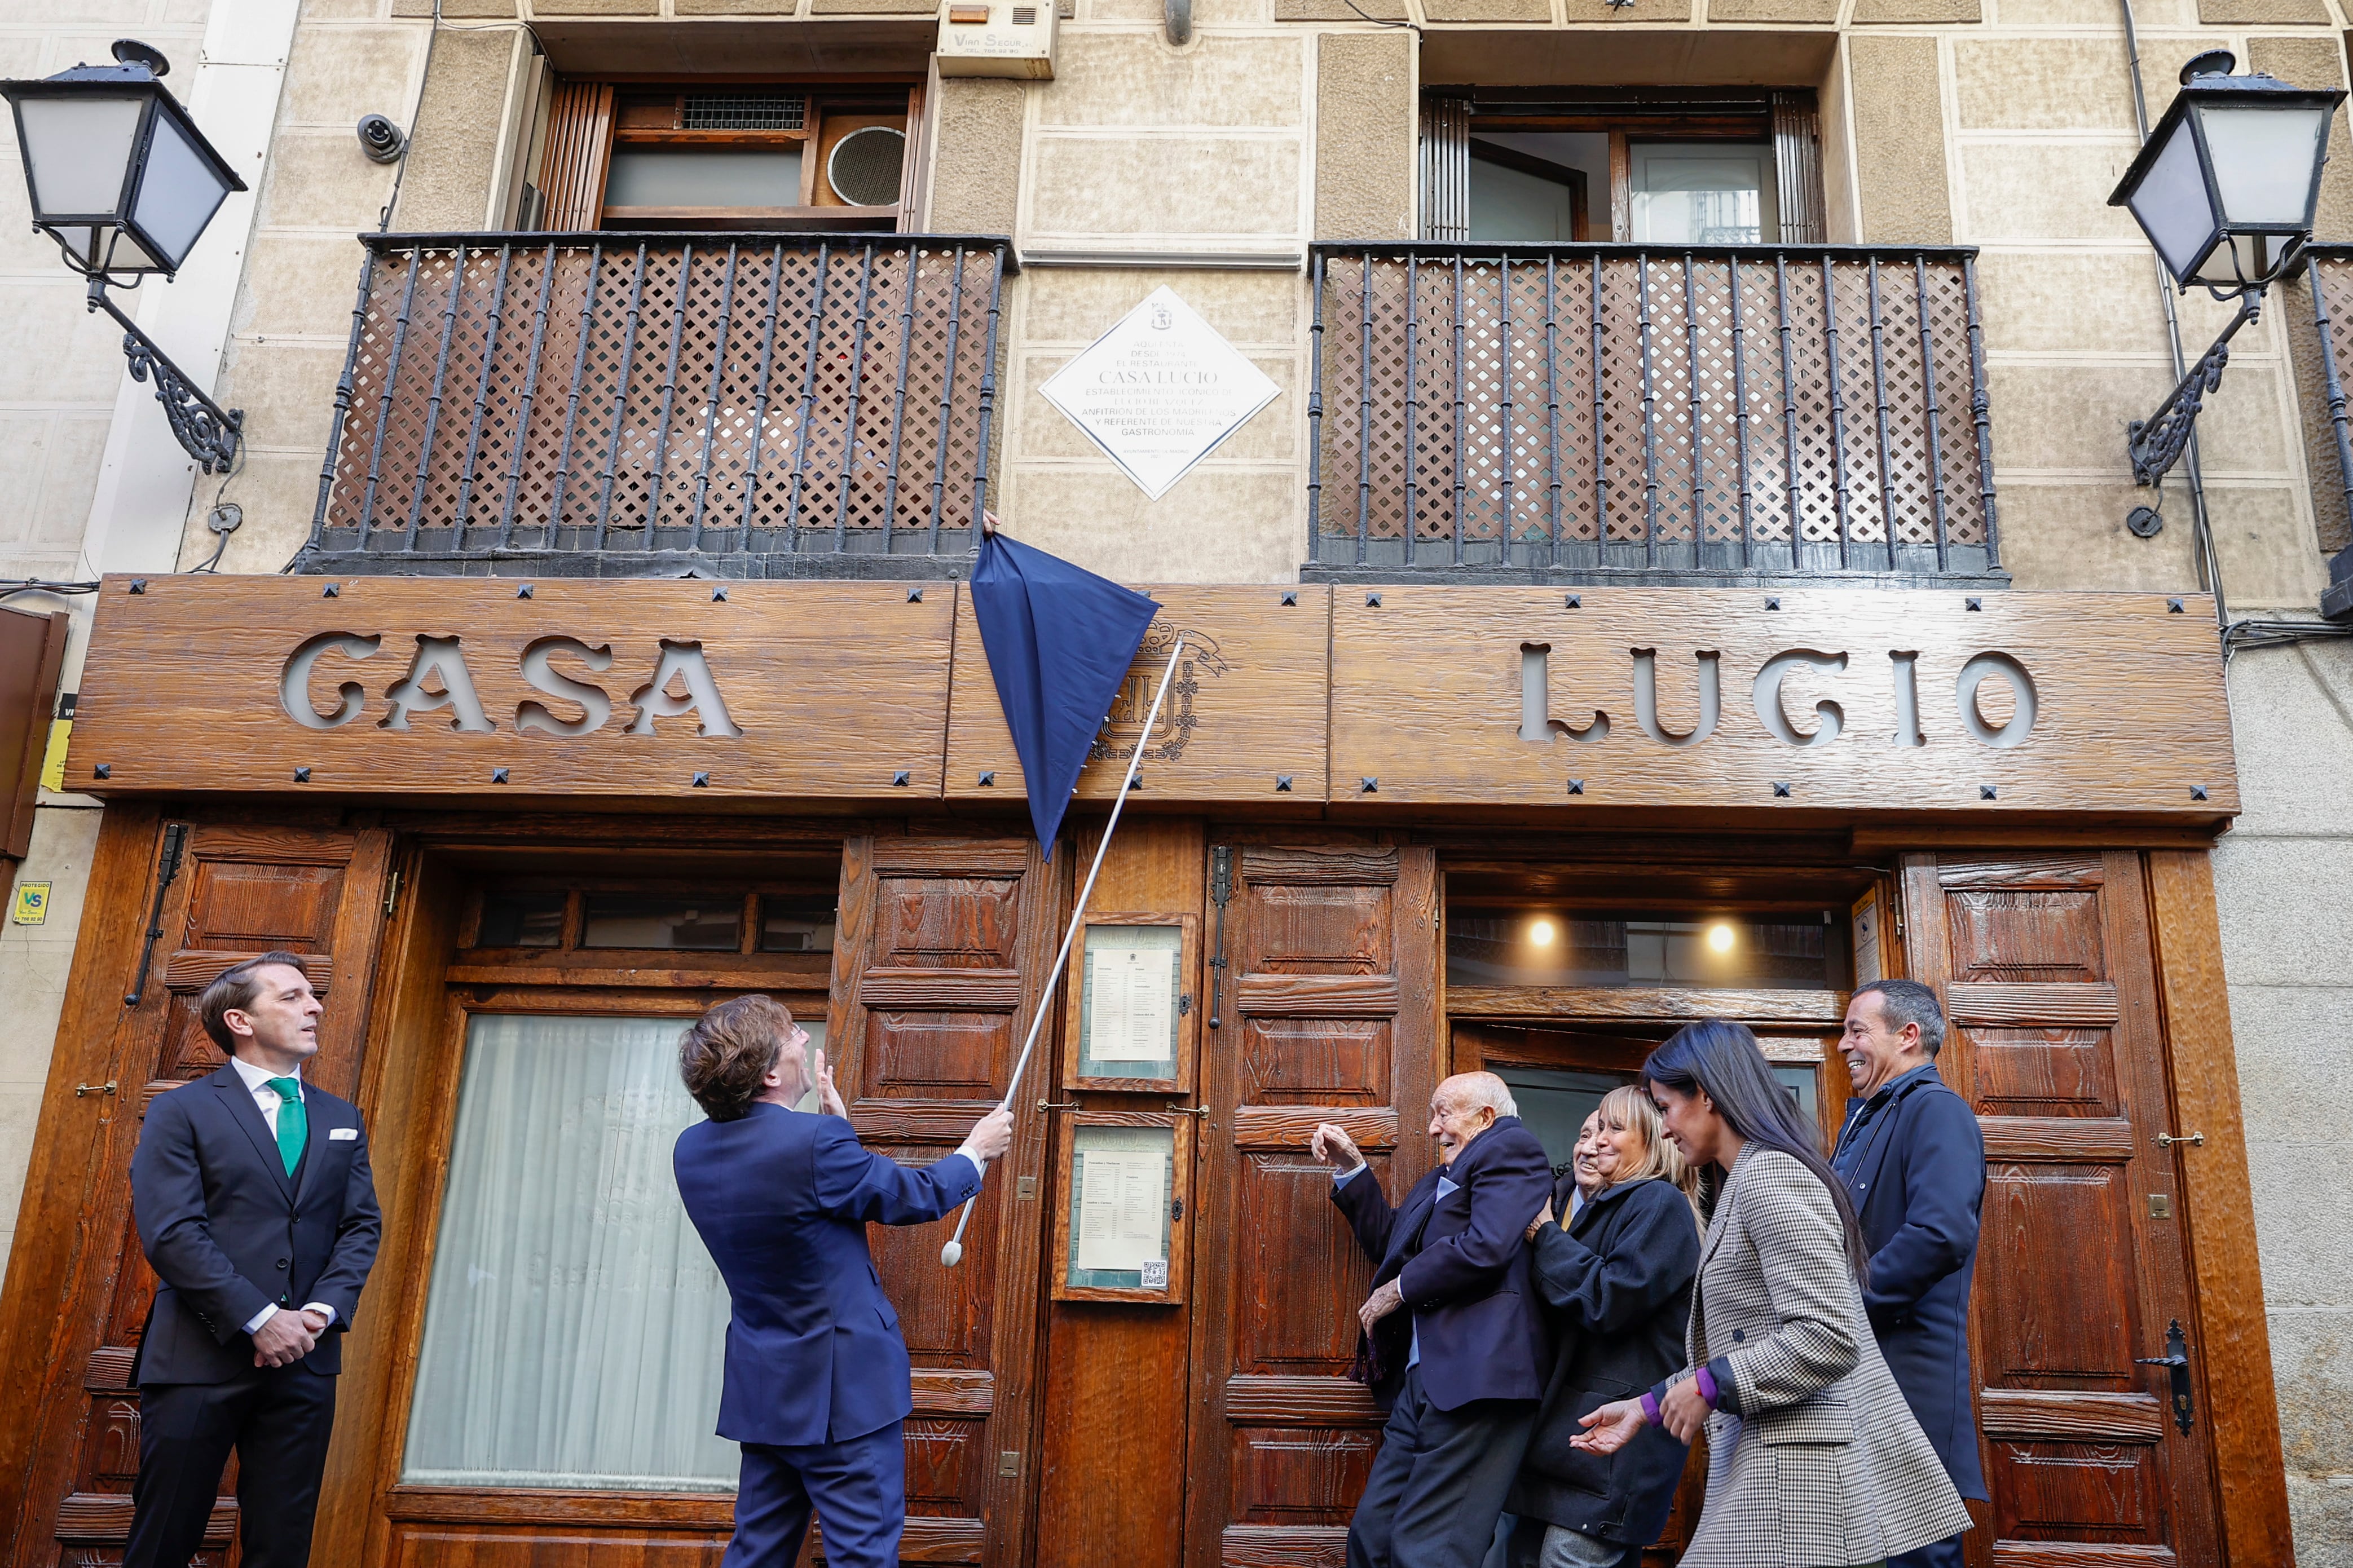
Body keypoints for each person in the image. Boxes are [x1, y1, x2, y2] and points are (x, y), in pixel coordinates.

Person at [1572, 1020, 1970, 1568]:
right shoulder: (1745, 1180)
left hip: (1801, 1491)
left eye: (1664, 1107)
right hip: (1780, 1479)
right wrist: (1645, 1407)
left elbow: (1828, 1336)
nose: (1663, 1129)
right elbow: (1751, 1337)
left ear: (1706, 1097)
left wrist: (1709, 1386)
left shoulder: (1769, 1177)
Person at [671, 996, 1014, 1568]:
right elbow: (915, 1196)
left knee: (757, 1553)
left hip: (765, 1392)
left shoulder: (692, 1149)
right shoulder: (812, 1145)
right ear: (771, 1073)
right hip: (843, 1398)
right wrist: (974, 1152)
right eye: (791, 1035)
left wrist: (836, 1134)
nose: (805, 1039)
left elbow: (799, 1202)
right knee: (862, 1555)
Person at [125, 951, 382, 1568]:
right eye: (291, 997)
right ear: (239, 1020)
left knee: (282, 1544)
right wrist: (260, 1317)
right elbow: (172, 1232)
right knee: (166, 1536)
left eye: (311, 995)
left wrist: (316, 1316)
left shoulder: (340, 1118)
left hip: (306, 1366)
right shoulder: (180, 1110)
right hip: (198, 1358)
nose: (314, 1006)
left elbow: (360, 1226)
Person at [1309, 1071, 1556, 1568]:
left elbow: (1485, 1246)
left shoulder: (1512, 1150)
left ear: (1486, 1117)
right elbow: (1392, 1244)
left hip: (1478, 1381)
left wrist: (1399, 1290)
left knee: (1431, 1552)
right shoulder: (1441, 1178)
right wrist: (1353, 1168)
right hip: (1423, 1383)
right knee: (1372, 1537)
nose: (1431, 1128)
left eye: (1444, 1113)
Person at [1508, 1087, 1703, 1568]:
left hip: (1610, 1453)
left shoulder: (1659, 1203)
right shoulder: (1579, 1206)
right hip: (1558, 1448)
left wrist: (1546, 1236)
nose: (1592, 1143)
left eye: (1614, 1129)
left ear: (1654, 1141)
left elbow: (1608, 1299)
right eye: (1586, 1132)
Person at [1831, 979, 1987, 1568]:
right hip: (1861, 1379)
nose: (1842, 1044)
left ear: (1907, 1036)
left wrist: (1840, 1304)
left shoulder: (1936, 1111)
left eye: (1856, 1030)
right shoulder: (1866, 1120)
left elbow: (1939, 1233)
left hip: (1908, 1382)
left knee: (1911, 1554)